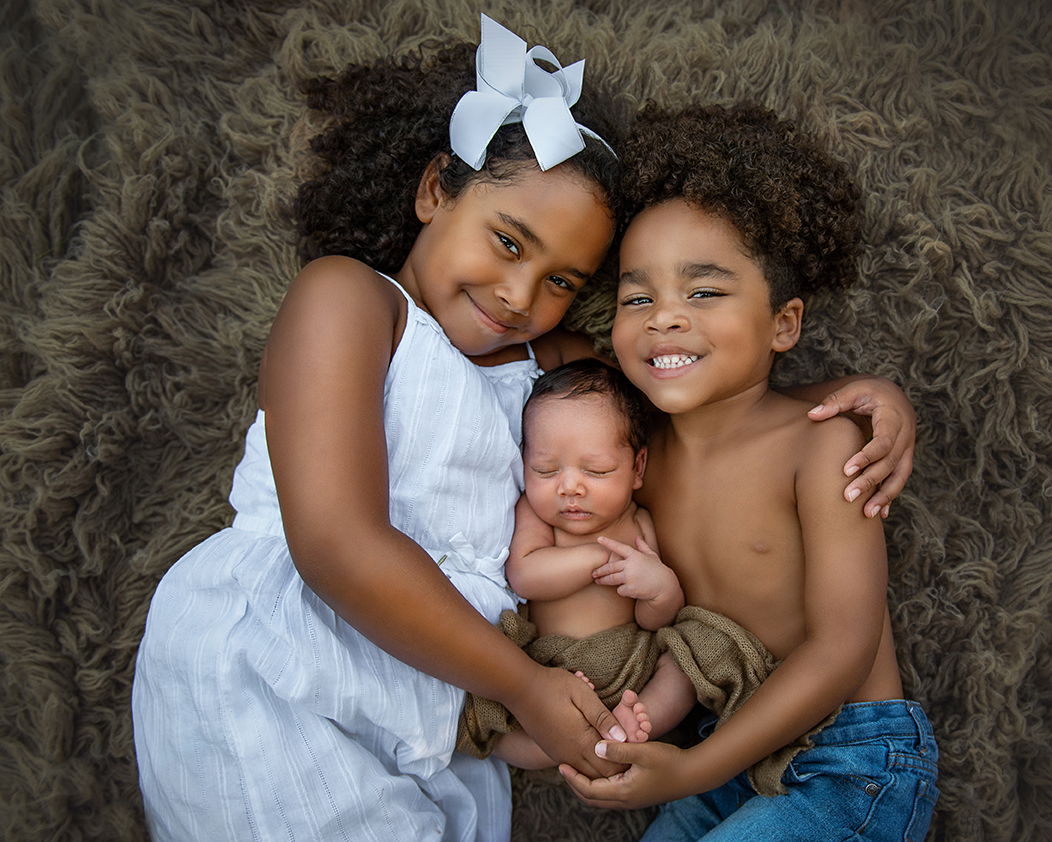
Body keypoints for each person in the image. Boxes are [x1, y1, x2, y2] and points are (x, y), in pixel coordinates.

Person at [131, 12, 917, 839]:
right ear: (436, 189)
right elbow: (336, 543)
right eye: (508, 242)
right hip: (283, 671)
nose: (518, 295)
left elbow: (703, 389)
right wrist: (525, 686)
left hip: (446, 714)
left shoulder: (550, 361)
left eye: (561, 280)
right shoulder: (353, 302)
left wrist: (857, 391)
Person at [560, 103, 939, 842]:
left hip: (848, 759)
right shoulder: (636, 456)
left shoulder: (821, 447)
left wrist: (692, 771)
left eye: (704, 291)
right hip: (726, 746)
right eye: (639, 297)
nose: (665, 317)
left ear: (784, 324)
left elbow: (842, 648)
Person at [456, 359, 697, 770]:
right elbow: (526, 575)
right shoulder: (536, 514)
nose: (569, 487)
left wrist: (660, 588)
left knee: (683, 666)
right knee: (500, 727)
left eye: (597, 470)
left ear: (637, 468)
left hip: (628, 663)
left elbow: (655, 620)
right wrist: (597, 557)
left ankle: (636, 727)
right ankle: (554, 749)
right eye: (545, 470)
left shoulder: (638, 522)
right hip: (551, 668)